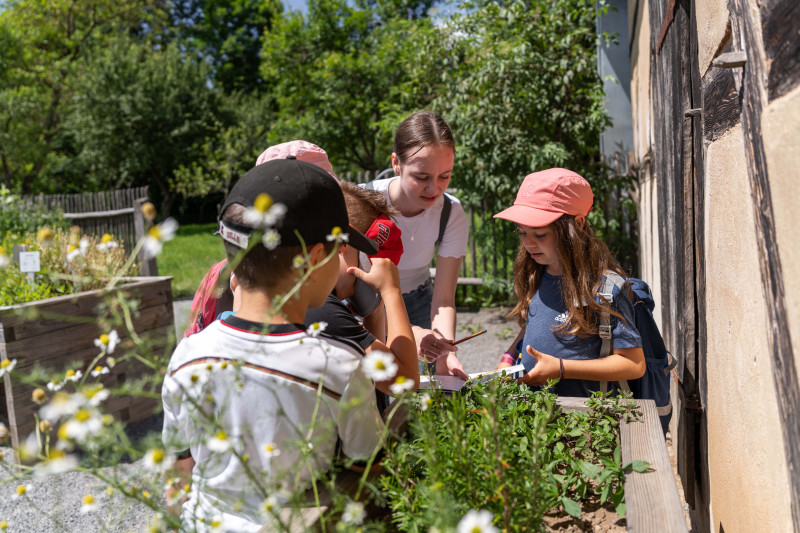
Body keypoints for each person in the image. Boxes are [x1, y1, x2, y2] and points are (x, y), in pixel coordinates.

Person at [162, 158, 385, 532]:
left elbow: (180, 469)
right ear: (314, 259)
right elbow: (369, 465)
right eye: (341, 250)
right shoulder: (340, 366)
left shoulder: (187, 355)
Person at [493, 168, 646, 396]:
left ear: (578, 224)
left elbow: (633, 365)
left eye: (540, 234)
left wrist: (562, 369)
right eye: (523, 232)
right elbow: (533, 325)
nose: (529, 243)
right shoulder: (535, 273)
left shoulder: (606, 288)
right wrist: (508, 357)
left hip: (585, 421)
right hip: (536, 415)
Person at [366, 112, 469, 379]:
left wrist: (447, 352)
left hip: (420, 300)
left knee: (429, 390)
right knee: (381, 389)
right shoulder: (363, 204)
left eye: (444, 176)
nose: (434, 189)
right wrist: (411, 332)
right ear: (396, 163)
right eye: (421, 177)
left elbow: (444, 301)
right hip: (367, 305)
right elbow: (349, 292)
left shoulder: (451, 212)